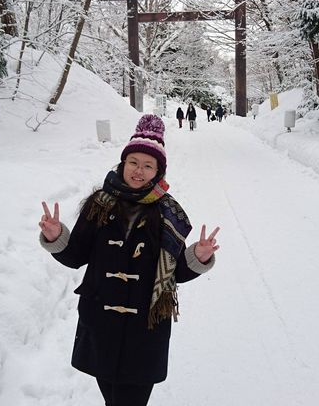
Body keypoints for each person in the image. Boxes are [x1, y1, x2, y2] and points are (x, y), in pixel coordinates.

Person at [38, 114, 220, 406]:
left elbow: (175, 272)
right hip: (101, 322)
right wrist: (56, 236)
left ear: (158, 172)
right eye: (133, 162)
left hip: (145, 330)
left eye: (148, 165)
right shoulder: (99, 203)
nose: (139, 170)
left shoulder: (167, 213)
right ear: (123, 163)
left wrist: (197, 257)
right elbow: (76, 256)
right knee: (111, 397)